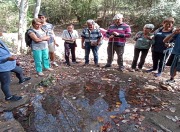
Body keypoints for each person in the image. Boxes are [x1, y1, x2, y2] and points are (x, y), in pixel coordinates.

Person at [0, 33, 31, 101]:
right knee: (6, 82)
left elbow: (7, 53)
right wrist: (7, 59)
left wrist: (14, 60)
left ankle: (22, 80)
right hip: (2, 68)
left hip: (10, 63)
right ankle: (8, 97)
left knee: (19, 70)